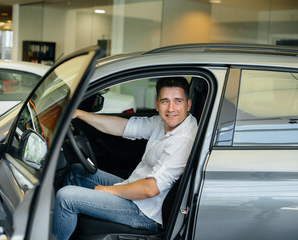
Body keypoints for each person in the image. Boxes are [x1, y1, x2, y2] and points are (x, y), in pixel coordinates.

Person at [52, 77, 197, 240]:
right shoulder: (163, 123)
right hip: (134, 190)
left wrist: (109, 191)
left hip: (145, 212)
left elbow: (151, 189)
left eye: (178, 101)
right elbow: (123, 127)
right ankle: (64, 222)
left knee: (66, 198)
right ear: (157, 104)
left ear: (188, 104)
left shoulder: (183, 138)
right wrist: (79, 114)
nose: (171, 108)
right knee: (76, 172)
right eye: (165, 101)